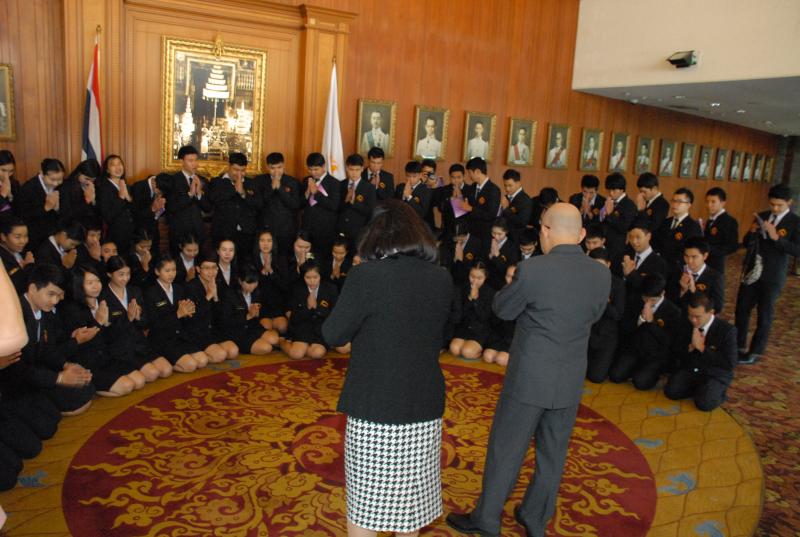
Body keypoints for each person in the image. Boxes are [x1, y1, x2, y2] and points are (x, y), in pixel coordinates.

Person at [446, 203, 609, 537]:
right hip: (570, 377)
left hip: (529, 378)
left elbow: (504, 309)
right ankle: (535, 517)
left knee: (507, 447)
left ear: (545, 231)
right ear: (580, 234)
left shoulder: (533, 269)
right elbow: (593, 316)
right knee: (553, 453)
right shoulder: (601, 273)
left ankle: (487, 519)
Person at [322, 199, 454, 537]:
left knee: (366, 511)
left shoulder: (366, 276)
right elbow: (444, 333)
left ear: (374, 235)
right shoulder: (441, 277)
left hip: (375, 408)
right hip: (423, 406)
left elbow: (333, 333)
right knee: (409, 510)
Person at [14, 263, 96, 415]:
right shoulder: (16, 314)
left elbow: (48, 350)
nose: (55, 301)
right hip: (16, 381)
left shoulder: (45, 311)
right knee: (48, 422)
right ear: (32, 289)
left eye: (58, 295)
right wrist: (59, 378)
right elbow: (17, 368)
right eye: (51, 294)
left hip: (38, 372)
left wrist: (66, 365)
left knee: (85, 389)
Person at [735, 184, 800, 364]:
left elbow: (797, 250)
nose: (775, 208)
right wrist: (751, 232)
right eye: (772, 204)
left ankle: (755, 351)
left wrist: (777, 238)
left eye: (780, 205)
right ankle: (738, 345)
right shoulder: (762, 216)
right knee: (742, 309)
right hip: (752, 270)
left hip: (773, 275)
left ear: (789, 202)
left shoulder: (795, 222)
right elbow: (747, 242)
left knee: (764, 314)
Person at [61, 265, 146, 397]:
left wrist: (128, 319)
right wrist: (98, 322)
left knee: (140, 381)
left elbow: (114, 334)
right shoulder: (72, 309)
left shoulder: (104, 301)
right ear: (78, 285)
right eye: (90, 283)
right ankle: (92, 387)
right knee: (127, 386)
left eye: (98, 281)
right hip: (89, 362)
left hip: (109, 356)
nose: (96, 286)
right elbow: (82, 345)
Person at [102, 255, 172, 381]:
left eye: (128, 274)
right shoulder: (103, 297)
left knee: (166, 370)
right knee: (152, 374)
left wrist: (139, 318)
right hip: (120, 348)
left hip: (140, 343)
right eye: (121, 274)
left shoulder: (135, 291)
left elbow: (145, 323)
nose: (125, 278)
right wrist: (128, 319)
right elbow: (107, 332)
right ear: (109, 274)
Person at [665, 292, 737, 411]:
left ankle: (716, 392)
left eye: (698, 317)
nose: (693, 320)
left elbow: (729, 364)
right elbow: (676, 349)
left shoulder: (727, 330)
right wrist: (688, 349)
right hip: (693, 369)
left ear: (711, 312)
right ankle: (701, 390)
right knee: (671, 392)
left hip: (714, 373)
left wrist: (702, 348)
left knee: (704, 404)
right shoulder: (686, 323)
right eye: (690, 315)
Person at [608, 273, 681, 389]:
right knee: (615, 376)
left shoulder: (673, 311)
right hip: (634, 349)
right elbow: (625, 328)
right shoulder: (634, 301)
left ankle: (652, 373)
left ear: (662, 293)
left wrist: (651, 323)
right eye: (645, 298)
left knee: (640, 383)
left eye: (652, 300)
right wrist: (640, 320)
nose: (648, 303)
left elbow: (668, 341)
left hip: (655, 355)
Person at [143, 256, 210, 373]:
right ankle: (165, 363)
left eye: (174, 270)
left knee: (203, 360)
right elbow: (154, 324)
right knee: (190, 365)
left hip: (180, 336)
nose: (171, 274)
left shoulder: (179, 288)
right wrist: (177, 315)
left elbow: (188, 316)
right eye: (167, 271)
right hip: (162, 339)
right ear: (157, 271)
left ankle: (173, 361)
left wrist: (188, 313)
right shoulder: (150, 293)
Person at [183, 251, 239, 363]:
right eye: (207, 268)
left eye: (214, 268)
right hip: (197, 332)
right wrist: (208, 296)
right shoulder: (190, 287)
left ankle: (208, 352)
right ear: (198, 269)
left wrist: (216, 297)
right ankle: (198, 355)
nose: (211, 272)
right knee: (220, 355)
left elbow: (221, 316)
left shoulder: (219, 284)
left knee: (233, 351)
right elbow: (192, 317)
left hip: (213, 330)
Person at [280, 260, 338, 360]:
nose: (312, 281)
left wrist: (317, 308)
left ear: (320, 276)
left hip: (321, 328)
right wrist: (307, 307)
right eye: (308, 277)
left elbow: (335, 314)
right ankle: (281, 342)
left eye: (315, 277)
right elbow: (294, 317)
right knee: (296, 354)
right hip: (302, 327)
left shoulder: (330, 288)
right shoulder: (297, 289)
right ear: (303, 277)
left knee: (317, 353)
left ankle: (305, 348)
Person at [157, 145, 211, 252]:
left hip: (198, 231)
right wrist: (190, 194)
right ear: (181, 161)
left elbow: (208, 208)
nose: (194, 164)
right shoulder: (172, 180)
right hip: (179, 232)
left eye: (196, 160)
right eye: (190, 161)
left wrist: (199, 194)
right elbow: (171, 207)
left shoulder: (203, 180)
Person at [208, 152, 263, 255]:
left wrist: (243, 193)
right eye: (236, 170)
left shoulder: (252, 183)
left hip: (246, 234)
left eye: (242, 170)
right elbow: (214, 199)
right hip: (223, 233)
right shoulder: (217, 182)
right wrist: (235, 189)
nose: (239, 174)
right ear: (229, 166)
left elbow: (259, 204)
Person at [218, 265, 278, 355]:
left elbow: (262, 311)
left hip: (253, 327)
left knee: (274, 339)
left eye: (255, 282)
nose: (253, 286)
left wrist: (257, 313)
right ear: (240, 281)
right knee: (266, 348)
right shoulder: (229, 295)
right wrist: (248, 316)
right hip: (237, 332)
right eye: (249, 283)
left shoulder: (256, 292)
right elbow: (225, 321)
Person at [586, 247, 625, 383]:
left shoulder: (618, 285)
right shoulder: (583, 281)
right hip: (585, 334)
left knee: (596, 377)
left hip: (606, 337)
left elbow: (617, 315)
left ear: (608, 264)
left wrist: (604, 301)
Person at [256, 152, 302, 257]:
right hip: (265, 230)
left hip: (286, 231)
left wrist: (280, 189)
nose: (276, 171)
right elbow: (258, 204)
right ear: (267, 167)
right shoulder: (259, 181)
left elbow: (295, 205)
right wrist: (271, 189)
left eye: (279, 167)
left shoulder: (292, 182)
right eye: (273, 168)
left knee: (284, 260)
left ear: (284, 165)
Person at [654, 188, 703, 286]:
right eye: (673, 201)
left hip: (678, 271)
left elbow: (694, 252)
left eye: (679, 202)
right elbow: (657, 242)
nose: (674, 204)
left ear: (689, 205)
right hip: (661, 268)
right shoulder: (666, 222)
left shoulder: (693, 226)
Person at [450, 262, 496, 360]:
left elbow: (485, 318)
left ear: (485, 277)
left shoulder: (490, 292)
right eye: (472, 276)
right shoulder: (463, 288)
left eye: (479, 278)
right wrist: (470, 299)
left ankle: (479, 351)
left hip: (480, 329)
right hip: (464, 327)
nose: (475, 281)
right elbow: (459, 314)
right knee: (454, 349)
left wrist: (476, 300)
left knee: (467, 352)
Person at [17, 158, 65, 251]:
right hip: (35, 238)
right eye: (52, 179)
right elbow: (23, 215)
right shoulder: (28, 189)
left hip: (53, 235)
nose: (56, 183)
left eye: (60, 179)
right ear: (42, 173)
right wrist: (45, 208)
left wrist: (57, 209)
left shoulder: (61, 186)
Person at [302, 152, 341, 262]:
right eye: (310, 169)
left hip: (325, 231)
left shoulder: (334, 183)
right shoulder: (306, 180)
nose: (313, 172)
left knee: (322, 260)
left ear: (323, 166)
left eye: (316, 169)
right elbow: (301, 204)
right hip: (308, 230)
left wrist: (316, 193)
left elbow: (334, 206)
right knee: (309, 259)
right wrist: (306, 193)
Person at [251, 229, 289, 335]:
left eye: (269, 240)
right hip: (260, 303)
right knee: (266, 328)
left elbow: (285, 285)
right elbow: (250, 284)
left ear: (273, 243)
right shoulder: (251, 259)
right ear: (257, 243)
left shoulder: (281, 258)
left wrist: (271, 272)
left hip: (278, 304)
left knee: (282, 327)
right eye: (262, 240)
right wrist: (262, 273)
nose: (265, 244)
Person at [96, 154, 135, 254]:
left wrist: (128, 198)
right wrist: (121, 198)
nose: (118, 167)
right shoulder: (103, 188)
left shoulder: (126, 185)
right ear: (107, 170)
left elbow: (133, 210)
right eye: (113, 165)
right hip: (115, 236)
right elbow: (107, 216)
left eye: (119, 163)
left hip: (131, 235)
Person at [675, 237, 724, 314]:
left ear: (705, 256)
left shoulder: (715, 277)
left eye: (694, 257)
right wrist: (683, 290)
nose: (689, 261)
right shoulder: (678, 271)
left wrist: (694, 290)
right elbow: (670, 301)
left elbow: (718, 307)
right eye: (686, 256)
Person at [338, 154, 377, 250]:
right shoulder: (340, 185)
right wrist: (346, 201)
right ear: (347, 168)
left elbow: (370, 211)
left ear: (362, 169)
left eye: (357, 170)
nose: (354, 173)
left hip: (359, 233)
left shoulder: (369, 188)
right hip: (340, 231)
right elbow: (335, 208)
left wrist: (354, 203)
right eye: (351, 169)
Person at [482, 264, 517, 367]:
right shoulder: (500, 293)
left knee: (501, 360)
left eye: (513, 277)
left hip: (514, 337)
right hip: (500, 334)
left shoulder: (523, 295)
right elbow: (493, 319)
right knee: (488, 357)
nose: (510, 280)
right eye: (508, 276)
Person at [702, 187, 739, 275]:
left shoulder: (729, 221)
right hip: (705, 260)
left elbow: (733, 246)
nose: (709, 205)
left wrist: (710, 249)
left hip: (716, 263)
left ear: (722, 203)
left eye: (713, 202)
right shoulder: (710, 220)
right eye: (707, 201)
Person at [464, 158, 501, 244]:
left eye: (470, 172)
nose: (469, 175)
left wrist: (471, 209)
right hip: (470, 233)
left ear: (477, 171)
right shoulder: (472, 187)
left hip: (484, 234)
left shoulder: (494, 190)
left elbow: (491, 215)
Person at [600, 173, 637, 258]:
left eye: (614, 190)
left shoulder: (629, 205)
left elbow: (624, 227)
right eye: (608, 190)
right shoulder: (609, 202)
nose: (610, 193)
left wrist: (610, 214)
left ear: (622, 190)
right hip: (604, 244)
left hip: (618, 248)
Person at [129, 174, 165, 259]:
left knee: (154, 258)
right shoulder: (138, 187)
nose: (160, 195)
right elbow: (135, 214)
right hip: (140, 233)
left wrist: (160, 209)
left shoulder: (163, 186)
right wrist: (152, 209)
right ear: (155, 184)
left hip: (154, 233)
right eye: (160, 192)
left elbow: (159, 215)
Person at [441, 223, 484, 289]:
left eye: (460, 237)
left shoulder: (476, 243)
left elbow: (477, 262)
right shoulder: (450, 240)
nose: (457, 240)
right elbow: (446, 254)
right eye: (455, 238)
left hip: (466, 278)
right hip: (452, 274)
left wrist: (461, 262)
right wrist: (454, 260)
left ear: (466, 234)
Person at [59, 159, 101, 224]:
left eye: (93, 180)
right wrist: (86, 201)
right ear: (78, 174)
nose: (89, 182)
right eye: (87, 179)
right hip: (73, 227)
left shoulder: (96, 185)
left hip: (92, 227)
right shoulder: (66, 187)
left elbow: (99, 213)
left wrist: (93, 202)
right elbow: (65, 216)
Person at [0, 217, 35, 293]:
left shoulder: (21, 250)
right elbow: (19, 286)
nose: (23, 241)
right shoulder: (2, 260)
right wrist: (29, 265)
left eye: (25, 236)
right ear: (3, 237)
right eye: (17, 237)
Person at [440, 163, 472, 241]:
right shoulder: (444, 190)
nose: (456, 180)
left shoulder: (470, 190)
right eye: (453, 177)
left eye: (459, 177)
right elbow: (441, 208)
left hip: (465, 229)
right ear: (449, 177)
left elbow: (472, 210)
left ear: (463, 176)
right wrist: (452, 199)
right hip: (448, 229)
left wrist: (461, 201)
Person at [499, 169, 532, 244]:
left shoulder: (525, 200)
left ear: (518, 183)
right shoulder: (506, 197)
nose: (507, 189)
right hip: (503, 238)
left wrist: (506, 209)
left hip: (516, 240)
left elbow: (522, 223)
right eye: (505, 185)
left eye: (510, 185)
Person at [486, 218, 519, 290]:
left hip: (501, 284)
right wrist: (490, 255)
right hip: (487, 281)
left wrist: (497, 255)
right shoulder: (488, 241)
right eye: (493, 233)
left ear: (506, 232)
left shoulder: (512, 247)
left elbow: (508, 270)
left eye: (499, 234)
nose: (496, 237)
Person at [0, 150, 20, 218]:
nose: (7, 175)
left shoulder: (15, 184)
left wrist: (10, 197)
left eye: (11, 171)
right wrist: (2, 195)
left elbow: (19, 211)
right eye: (3, 170)